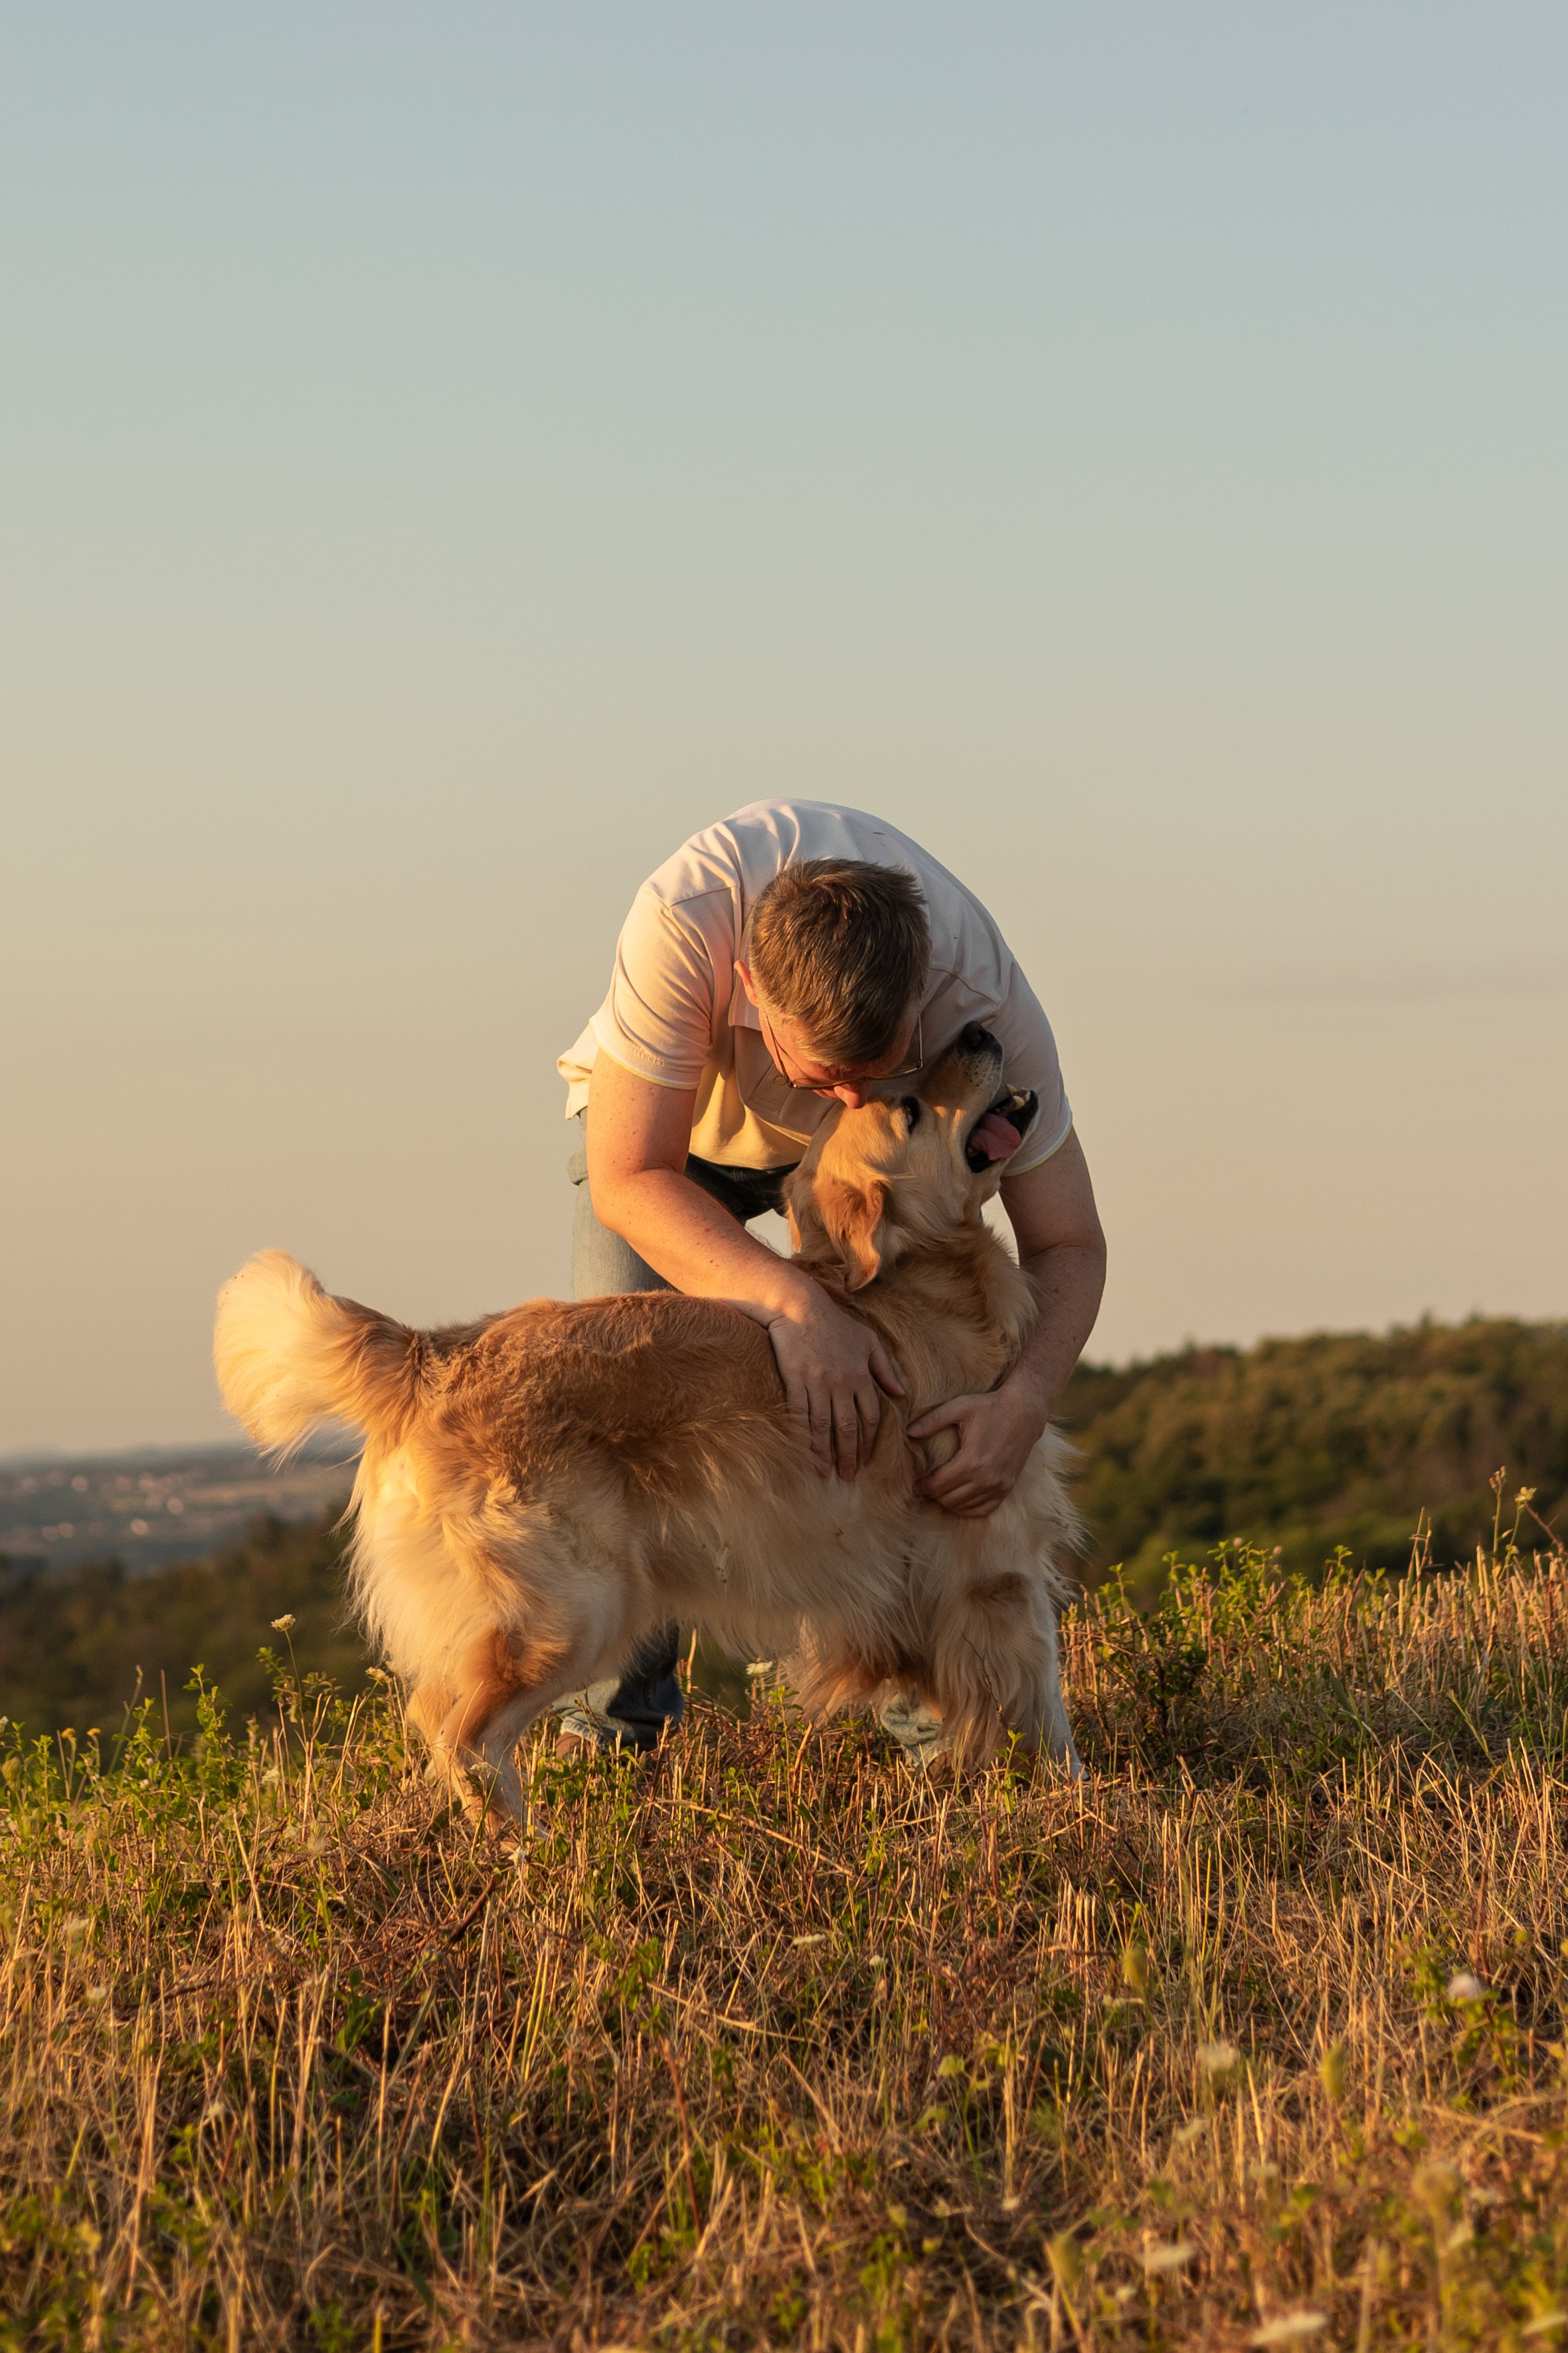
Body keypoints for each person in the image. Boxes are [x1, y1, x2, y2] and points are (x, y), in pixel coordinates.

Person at [555, 799, 1106, 1752]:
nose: (848, 1103)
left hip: (889, 1184)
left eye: (882, 1072)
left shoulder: (980, 997)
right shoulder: (682, 925)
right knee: (631, 1431)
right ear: (750, 996)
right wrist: (791, 1301)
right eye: (825, 1082)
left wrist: (1022, 1401)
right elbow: (628, 1177)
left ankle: (946, 1744)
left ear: (924, 994)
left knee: (914, 1419)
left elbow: (1068, 1242)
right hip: (675, 1154)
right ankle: (607, 1752)